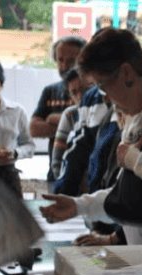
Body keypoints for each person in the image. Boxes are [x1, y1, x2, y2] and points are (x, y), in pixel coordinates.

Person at [40, 28, 142, 245]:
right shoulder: (136, 114)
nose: (107, 99)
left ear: (127, 73)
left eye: (103, 86)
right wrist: (79, 206)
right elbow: (126, 195)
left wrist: (135, 159)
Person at [30, 35, 86, 183]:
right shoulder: (50, 90)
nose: (64, 66)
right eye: (60, 60)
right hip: (55, 174)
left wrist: (53, 119)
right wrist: (72, 125)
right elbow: (34, 129)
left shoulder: (92, 91)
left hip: (85, 178)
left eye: (71, 61)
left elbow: (90, 125)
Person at [0, 58, 35, 197]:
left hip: (9, 177)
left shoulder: (17, 111)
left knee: (15, 218)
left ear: (1, 83)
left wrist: (15, 153)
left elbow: (30, 146)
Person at [49, 67, 89, 183]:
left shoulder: (103, 112)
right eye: (74, 92)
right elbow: (56, 159)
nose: (80, 96)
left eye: (84, 90)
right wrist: (64, 183)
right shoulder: (70, 114)